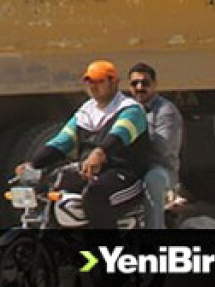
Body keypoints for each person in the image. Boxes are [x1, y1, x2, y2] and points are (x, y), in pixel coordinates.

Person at [16, 60, 151, 229]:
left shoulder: (130, 110)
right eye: (90, 82)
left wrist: (99, 153)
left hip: (124, 174)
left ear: (114, 82)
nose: (93, 87)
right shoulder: (86, 112)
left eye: (100, 81)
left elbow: (118, 135)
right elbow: (62, 142)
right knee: (53, 188)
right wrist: (33, 163)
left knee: (94, 195)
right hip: (90, 173)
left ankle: (105, 251)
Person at [128, 62, 183, 229]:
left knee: (153, 180)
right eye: (134, 83)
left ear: (155, 85)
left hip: (160, 168)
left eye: (145, 83)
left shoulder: (166, 110)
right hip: (131, 166)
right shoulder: (127, 108)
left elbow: (163, 148)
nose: (139, 87)